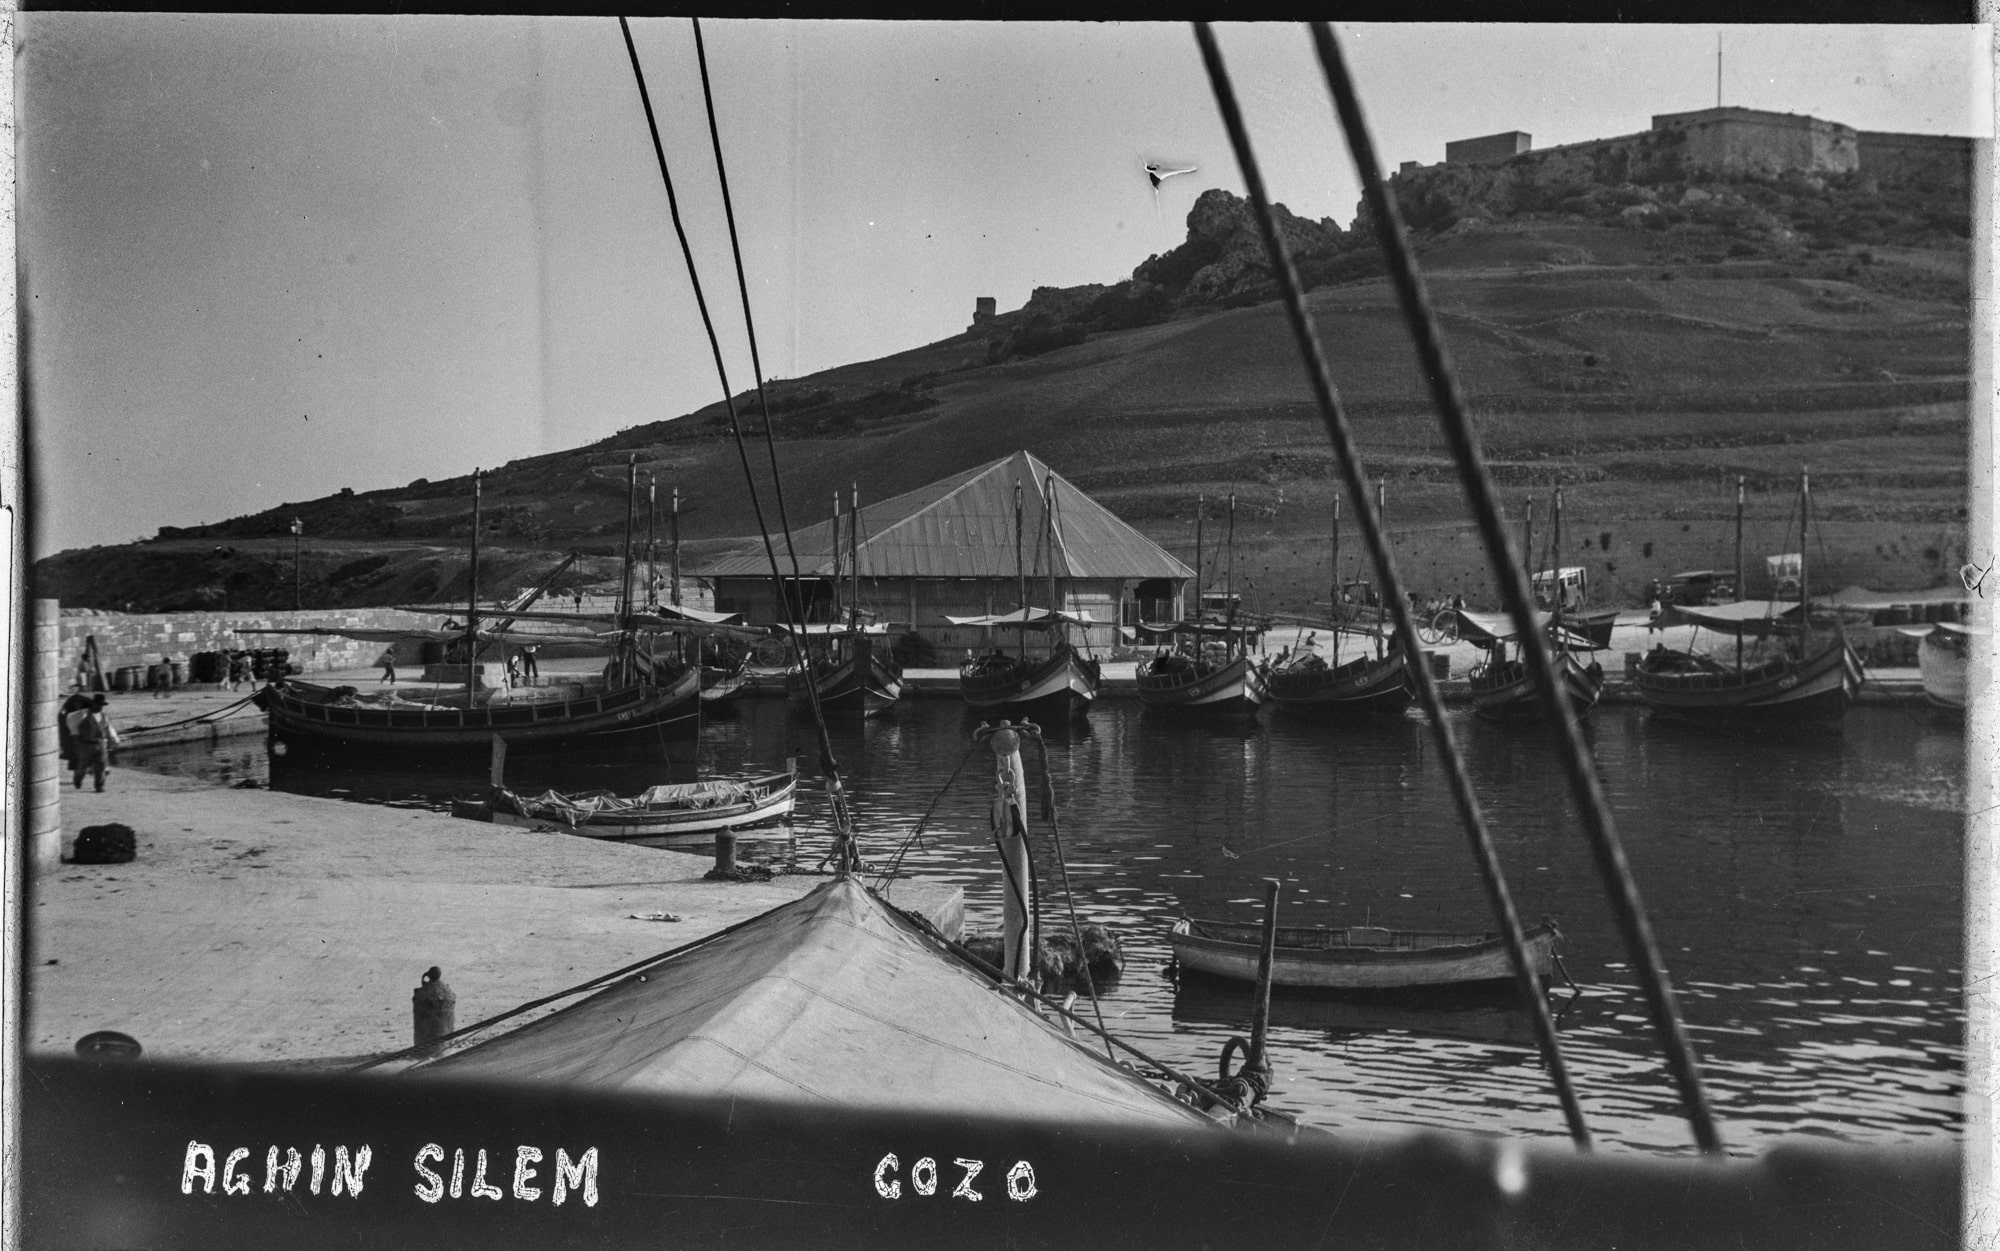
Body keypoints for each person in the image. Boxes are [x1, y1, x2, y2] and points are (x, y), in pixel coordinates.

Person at [67, 694, 119, 792]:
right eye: (99, 705)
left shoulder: (104, 716)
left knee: (101, 765)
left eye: (102, 705)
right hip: (86, 744)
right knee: (82, 766)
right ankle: (77, 779)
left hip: (100, 744)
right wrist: (76, 739)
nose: (100, 707)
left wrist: (114, 740)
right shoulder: (83, 715)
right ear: (93, 704)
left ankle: (99, 786)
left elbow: (108, 728)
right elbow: (72, 724)